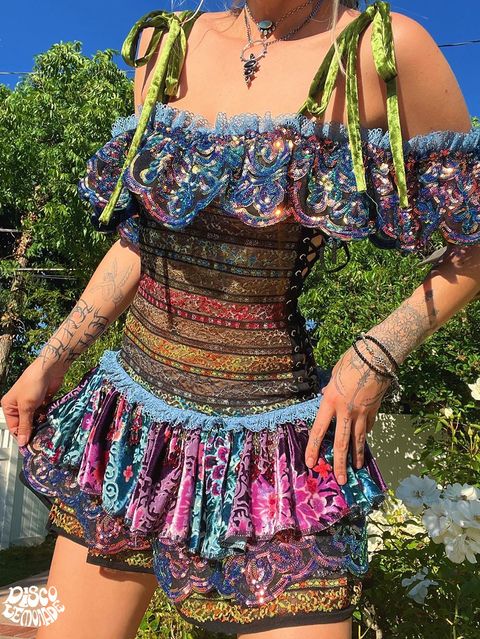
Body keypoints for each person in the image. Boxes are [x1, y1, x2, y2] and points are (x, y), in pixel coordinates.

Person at [2, 0, 480, 637]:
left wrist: (377, 354)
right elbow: (141, 243)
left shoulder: (382, 49)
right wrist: (51, 357)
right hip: (131, 437)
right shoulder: (165, 48)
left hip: (276, 455)